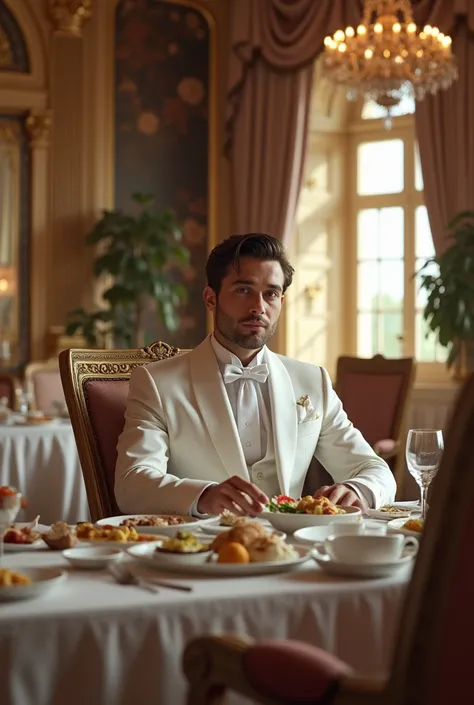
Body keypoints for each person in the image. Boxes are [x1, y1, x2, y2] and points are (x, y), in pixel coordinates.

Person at [115, 233, 396, 516]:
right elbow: (132, 483)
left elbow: (373, 469)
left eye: (271, 293)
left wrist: (357, 490)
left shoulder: (313, 381)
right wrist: (203, 496)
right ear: (210, 298)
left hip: (294, 549)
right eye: (243, 290)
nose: (258, 307)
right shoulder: (157, 383)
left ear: (281, 303)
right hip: (204, 550)